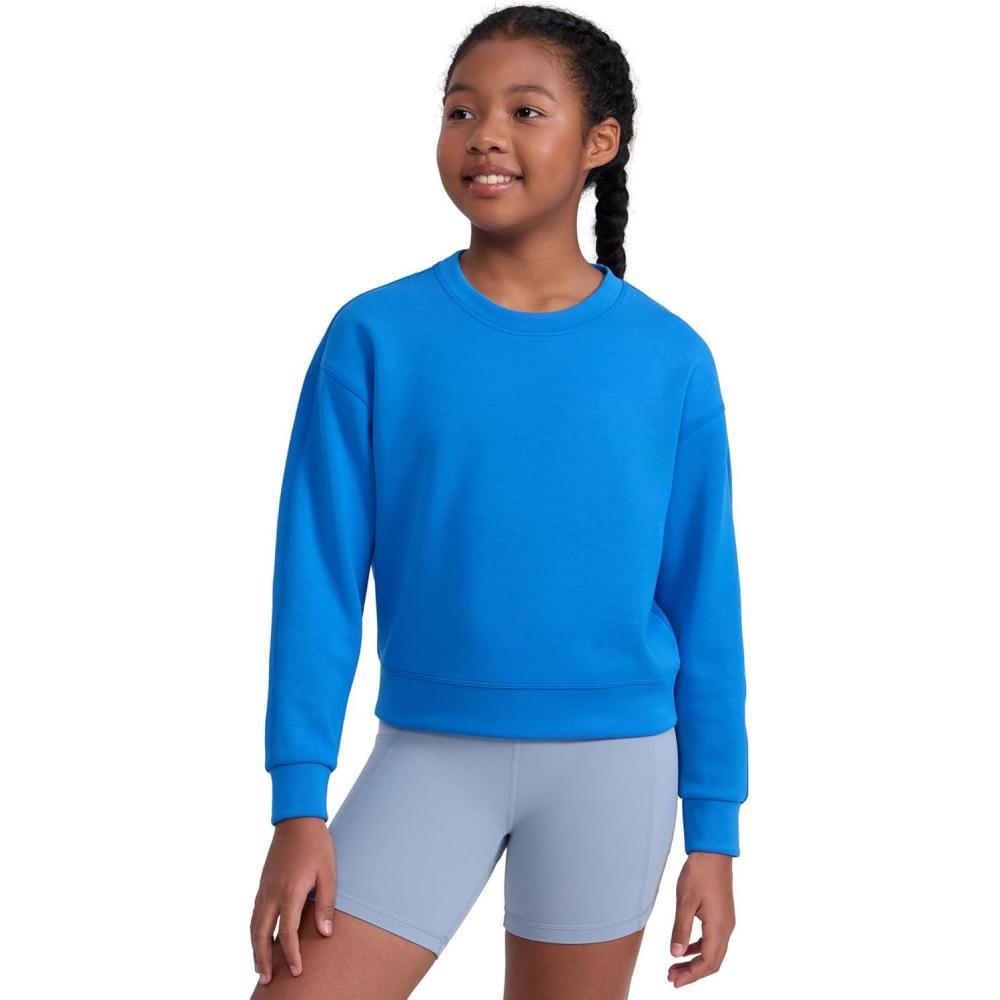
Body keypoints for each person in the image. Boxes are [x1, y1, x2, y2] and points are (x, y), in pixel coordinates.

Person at [250, 6, 748, 996]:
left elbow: (706, 600)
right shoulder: (374, 337)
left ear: (599, 142)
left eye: (525, 111)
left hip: (616, 765)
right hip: (427, 756)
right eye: (460, 111)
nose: (484, 135)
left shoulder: (670, 358)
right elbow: (317, 576)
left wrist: (716, 830)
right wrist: (298, 803)